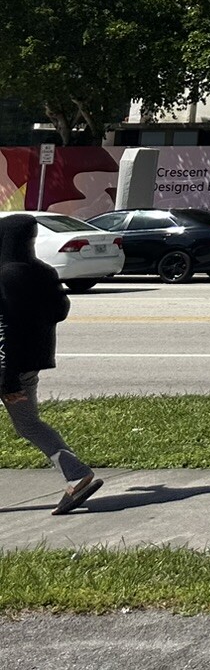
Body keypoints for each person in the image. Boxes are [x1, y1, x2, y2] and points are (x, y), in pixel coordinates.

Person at [0, 215, 98, 514]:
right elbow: (61, 310)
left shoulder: (5, 274)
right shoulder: (43, 271)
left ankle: (78, 475)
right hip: (27, 366)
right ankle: (77, 475)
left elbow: (5, 329)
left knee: (29, 424)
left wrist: (7, 378)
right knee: (29, 424)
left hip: (7, 367)